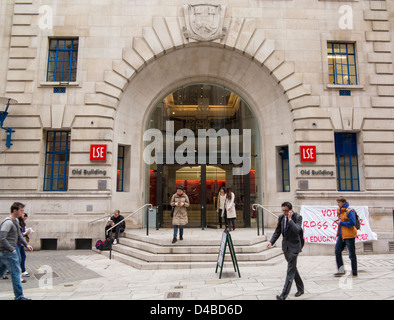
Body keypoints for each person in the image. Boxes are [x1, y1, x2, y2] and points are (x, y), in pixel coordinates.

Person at [267, 202, 304, 300]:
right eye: (283, 210)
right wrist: (271, 242)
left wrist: (290, 220)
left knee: (290, 271)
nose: (284, 212)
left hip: (294, 247)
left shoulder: (298, 217)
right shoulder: (281, 218)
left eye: (286, 211)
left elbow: (297, 230)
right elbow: (278, 231)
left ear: (291, 210)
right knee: (293, 268)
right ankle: (301, 288)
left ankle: (283, 295)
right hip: (286, 247)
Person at [0, 202, 33, 300]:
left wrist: (26, 244)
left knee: (1, 272)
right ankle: (19, 296)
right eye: (21, 210)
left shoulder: (15, 222)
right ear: (15, 210)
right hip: (8, 252)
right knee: (16, 273)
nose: (22, 212)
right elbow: (2, 238)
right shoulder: (8, 222)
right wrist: (12, 249)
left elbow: (19, 235)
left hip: (6, 252)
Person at [334, 197, 358, 277]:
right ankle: (341, 270)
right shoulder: (340, 211)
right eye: (338, 202)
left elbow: (352, 223)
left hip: (349, 235)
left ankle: (354, 272)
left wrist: (341, 223)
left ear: (343, 202)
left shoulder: (349, 211)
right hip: (341, 235)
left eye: (339, 202)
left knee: (351, 254)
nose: (338, 204)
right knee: (337, 251)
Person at [18, 212, 30, 281]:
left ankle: (22, 272)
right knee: (19, 258)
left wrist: (26, 244)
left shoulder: (22, 223)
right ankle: (22, 272)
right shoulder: (17, 222)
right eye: (21, 212)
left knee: (21, 257)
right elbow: (18, 234)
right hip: (17, 243)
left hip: (21, 243)